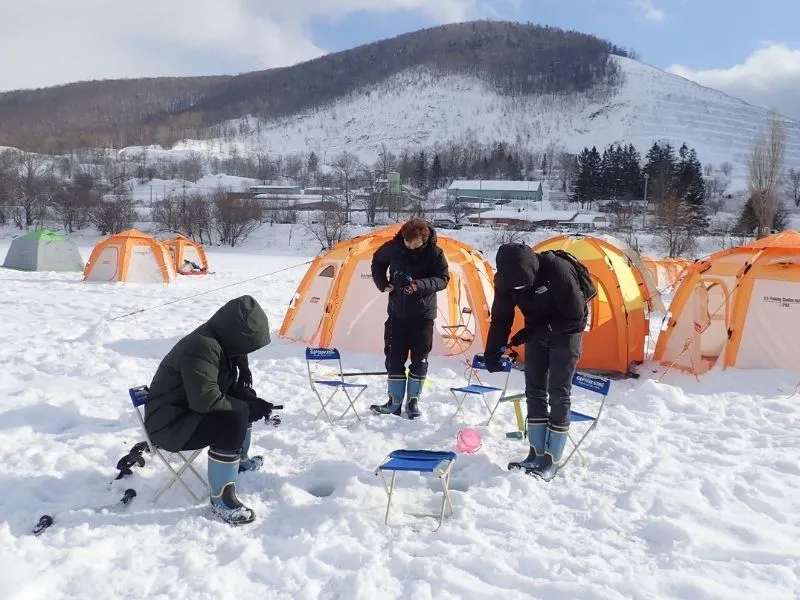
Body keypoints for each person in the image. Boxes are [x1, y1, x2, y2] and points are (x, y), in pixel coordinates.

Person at [144, 295, 275, 525]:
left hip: (185, 413)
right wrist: (246, 408)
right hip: (169, 425)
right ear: (235, 334)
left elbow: (218, 388)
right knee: (235, 416)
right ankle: (221, 500)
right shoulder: (202, 346)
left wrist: (245, 391)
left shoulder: (218, 341)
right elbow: (205, 400)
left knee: (242, 401)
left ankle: (240, 461)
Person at [483, 243, 587, 481]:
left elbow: (576, 318)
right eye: (515, 286)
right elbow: (500, 318)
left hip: (567, 330)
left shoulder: (557, 271)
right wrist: (491, 352)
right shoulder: (505, 282)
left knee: (559, 392)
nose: (519, 289)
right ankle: (536, 451)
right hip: (536, 331)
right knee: (534, 390)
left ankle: (551, 459)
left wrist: (533, 333)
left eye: (524, 284)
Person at [369, 219, 449, 419]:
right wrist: (383, 282)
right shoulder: (393, 248)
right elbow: (377, 262)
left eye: (416, 244)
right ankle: (393, 402)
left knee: (419, 359)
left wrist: (420, 285)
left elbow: (443, 279)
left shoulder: (435, 253)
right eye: (408, 243)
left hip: (423, 316)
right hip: (397, 313)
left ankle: (413, 402)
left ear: (425, 238)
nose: (411, 247)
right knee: (394, 357)